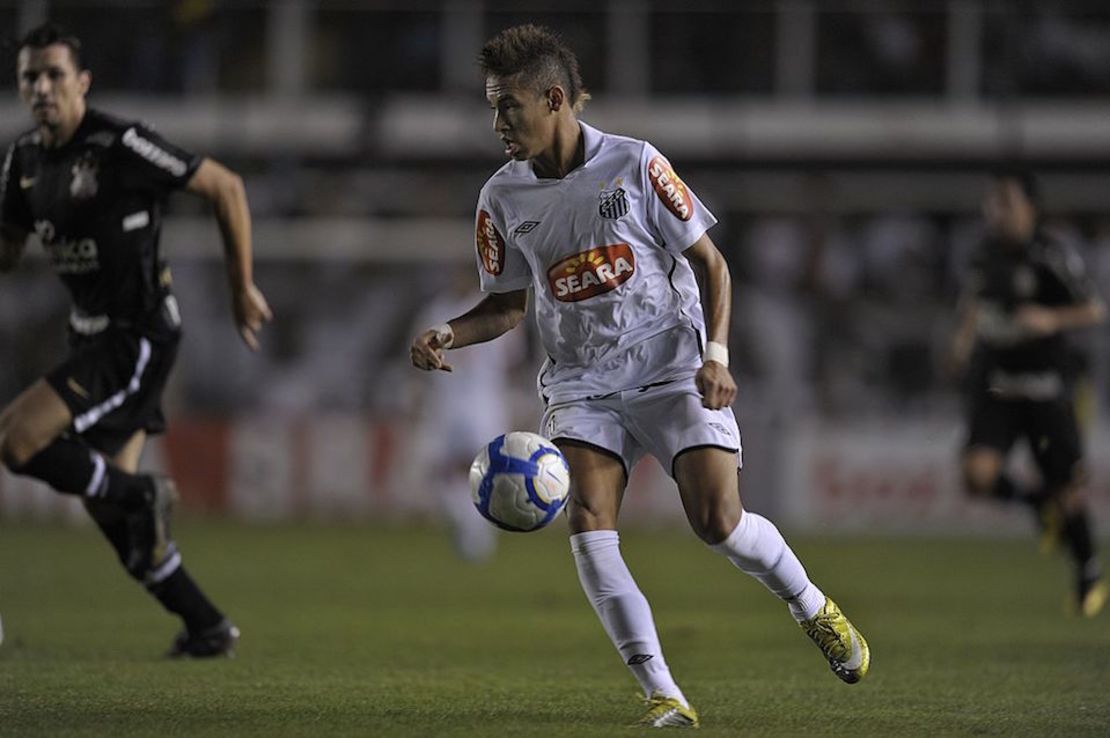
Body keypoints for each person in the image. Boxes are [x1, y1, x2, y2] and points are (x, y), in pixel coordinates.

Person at [411, 24, 869, 728]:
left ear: (554, 98)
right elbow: (506, 307)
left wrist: (716, 357)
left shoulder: (636, 165)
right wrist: (450, 332)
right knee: (590, 524)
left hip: (671, 364)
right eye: (493, 107)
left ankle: (813, 606)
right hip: (580, 383)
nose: (497, 122)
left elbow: (712, 264)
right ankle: (662, 689)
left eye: (509, 107)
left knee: (718, 523)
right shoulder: (499, 198)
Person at [0, 24, 272, 656]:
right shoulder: (24, 162)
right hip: (89, 337)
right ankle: (206, 626)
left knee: (16, 441)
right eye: (29, 77)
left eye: (54, 75)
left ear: (81, 82)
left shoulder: (119, 144)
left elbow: (225, 186)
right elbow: (8, 252)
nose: (42, 87)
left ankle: (142, 492)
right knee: (116, 522)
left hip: (139, 335)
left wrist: (241, 288)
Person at [950, 171, 1106, 617]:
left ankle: (1088, 571)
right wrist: (960, 343)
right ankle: (1036, 503)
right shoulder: (985, 255)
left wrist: (1051, 319)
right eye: (993, 204)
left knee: (1068, 491)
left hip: (1048, 387)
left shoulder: (1050, 254)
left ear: (1030, 209)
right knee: (976, 475)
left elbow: (1094, 308)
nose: (997, 213)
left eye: (1006, 204)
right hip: (999, 383)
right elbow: (974, 302)